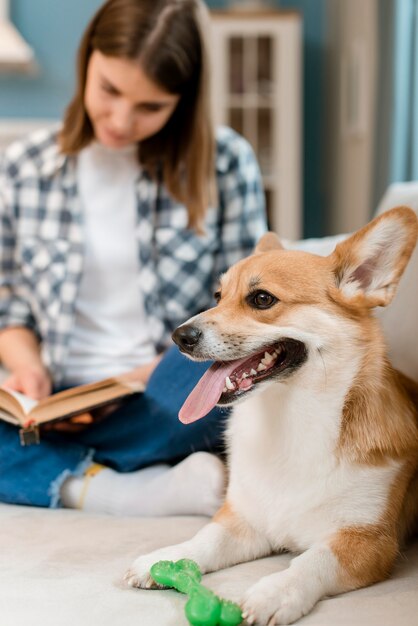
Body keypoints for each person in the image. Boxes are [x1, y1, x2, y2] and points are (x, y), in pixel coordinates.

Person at [0, 0, 267, 516]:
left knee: (225, 393)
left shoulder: (226, 163)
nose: (121, 120)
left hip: (164, 388)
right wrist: (27, 367)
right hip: (57, 392)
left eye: (150, 107)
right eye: (110, 90)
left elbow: (246, 310)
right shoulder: (23, 168)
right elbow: (7, 301)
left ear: (183, 102)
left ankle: (61, 470)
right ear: (87, 63)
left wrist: (137, 379)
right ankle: (119, 491)